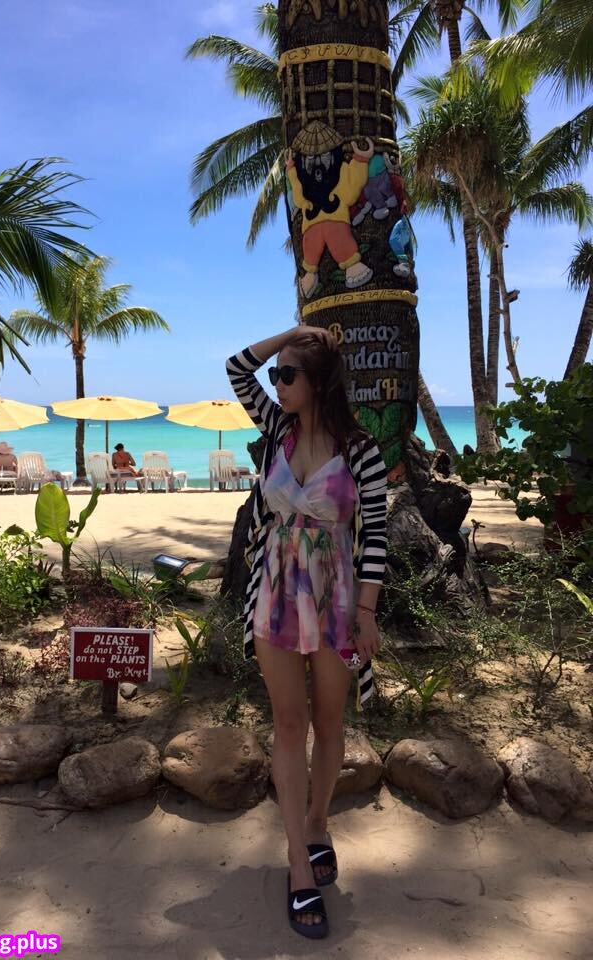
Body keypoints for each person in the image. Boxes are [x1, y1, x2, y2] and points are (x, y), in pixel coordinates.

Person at [225, 324, 387, 940]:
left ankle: (319, 821)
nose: (276, 384)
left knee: (330, 723)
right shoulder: (276, 429)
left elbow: (375, 536)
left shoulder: (361, 449)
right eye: (276, 375)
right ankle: (298, 861)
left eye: (288, 374)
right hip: (274, 597)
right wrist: (292, 335)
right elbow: (236, 368)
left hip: (337, 601)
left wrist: (366, 612)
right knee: (289, 724)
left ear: (318, 382)